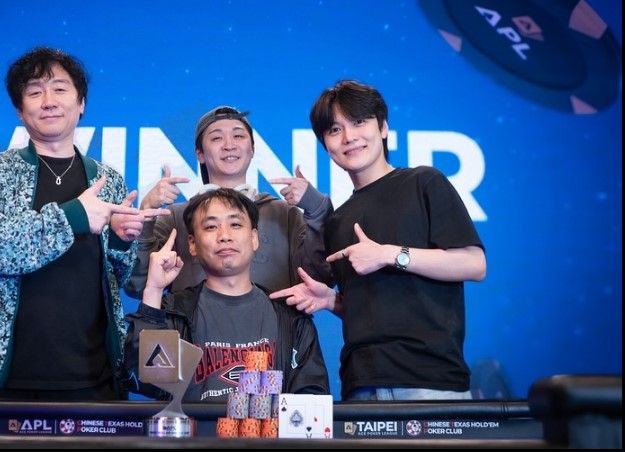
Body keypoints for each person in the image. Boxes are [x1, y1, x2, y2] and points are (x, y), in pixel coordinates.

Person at [0, 47, 167, 400]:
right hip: (9, 378)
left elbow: (117, 279)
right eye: (35, 92)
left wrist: (120, 242)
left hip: (96, 376)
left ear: (81, 103)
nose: (49, 101)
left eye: (60, 89)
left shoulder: (106, 179)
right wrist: (75, 216)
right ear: (20, 110)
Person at [271, 80, 486, 401]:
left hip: (430, 380)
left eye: (359, 122)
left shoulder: (424, 182)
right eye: (335, 130)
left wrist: (389, 254)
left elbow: (474, 263)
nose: (349, 137)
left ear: (383, 127)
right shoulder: (338, 221)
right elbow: (372, 308)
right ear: (326, 145)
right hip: (361, 384)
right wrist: (331, 301)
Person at [123, 188, 330, 402]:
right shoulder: (173, 312)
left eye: (235, 225)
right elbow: (148, 380)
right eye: (211, 227)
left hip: (269, 425)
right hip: (193, 425)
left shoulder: (290, 319)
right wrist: (154, 290)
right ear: (192, 244)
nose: (224, 236)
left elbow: (312, 401)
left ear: (254, 238)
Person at [124, 105, 333, 299]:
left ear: (252, 149)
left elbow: (320, 280)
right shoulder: (176, 218)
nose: (229, 145)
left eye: (238, 136)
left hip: (277, 327)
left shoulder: (285, 215)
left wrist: (316, 207)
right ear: (200, 154)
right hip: (193, 328)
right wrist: (147, 215)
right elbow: (137, 285)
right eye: (216, 138)